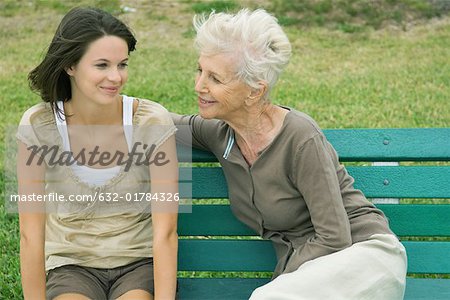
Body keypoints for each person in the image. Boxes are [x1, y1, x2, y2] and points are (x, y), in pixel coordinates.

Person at [172, 8, 407, 299]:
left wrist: (280, 282)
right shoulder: (220, 134)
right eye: (200, 71)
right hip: (313, 274)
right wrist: (111, 106)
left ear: (254, 92)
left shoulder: (300, 137)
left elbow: (334, 238)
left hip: (365, 257)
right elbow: (161, 123)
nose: (199, 86)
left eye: (215, 79)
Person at [17, 7, 178, 300]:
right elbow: (30, 235)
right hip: (71, 266)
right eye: (102, 65)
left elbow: (165, 232)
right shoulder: (39, 126)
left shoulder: (152, 122)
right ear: (70, 65)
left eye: (122, 64)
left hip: (138, 264)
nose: (115, 77)